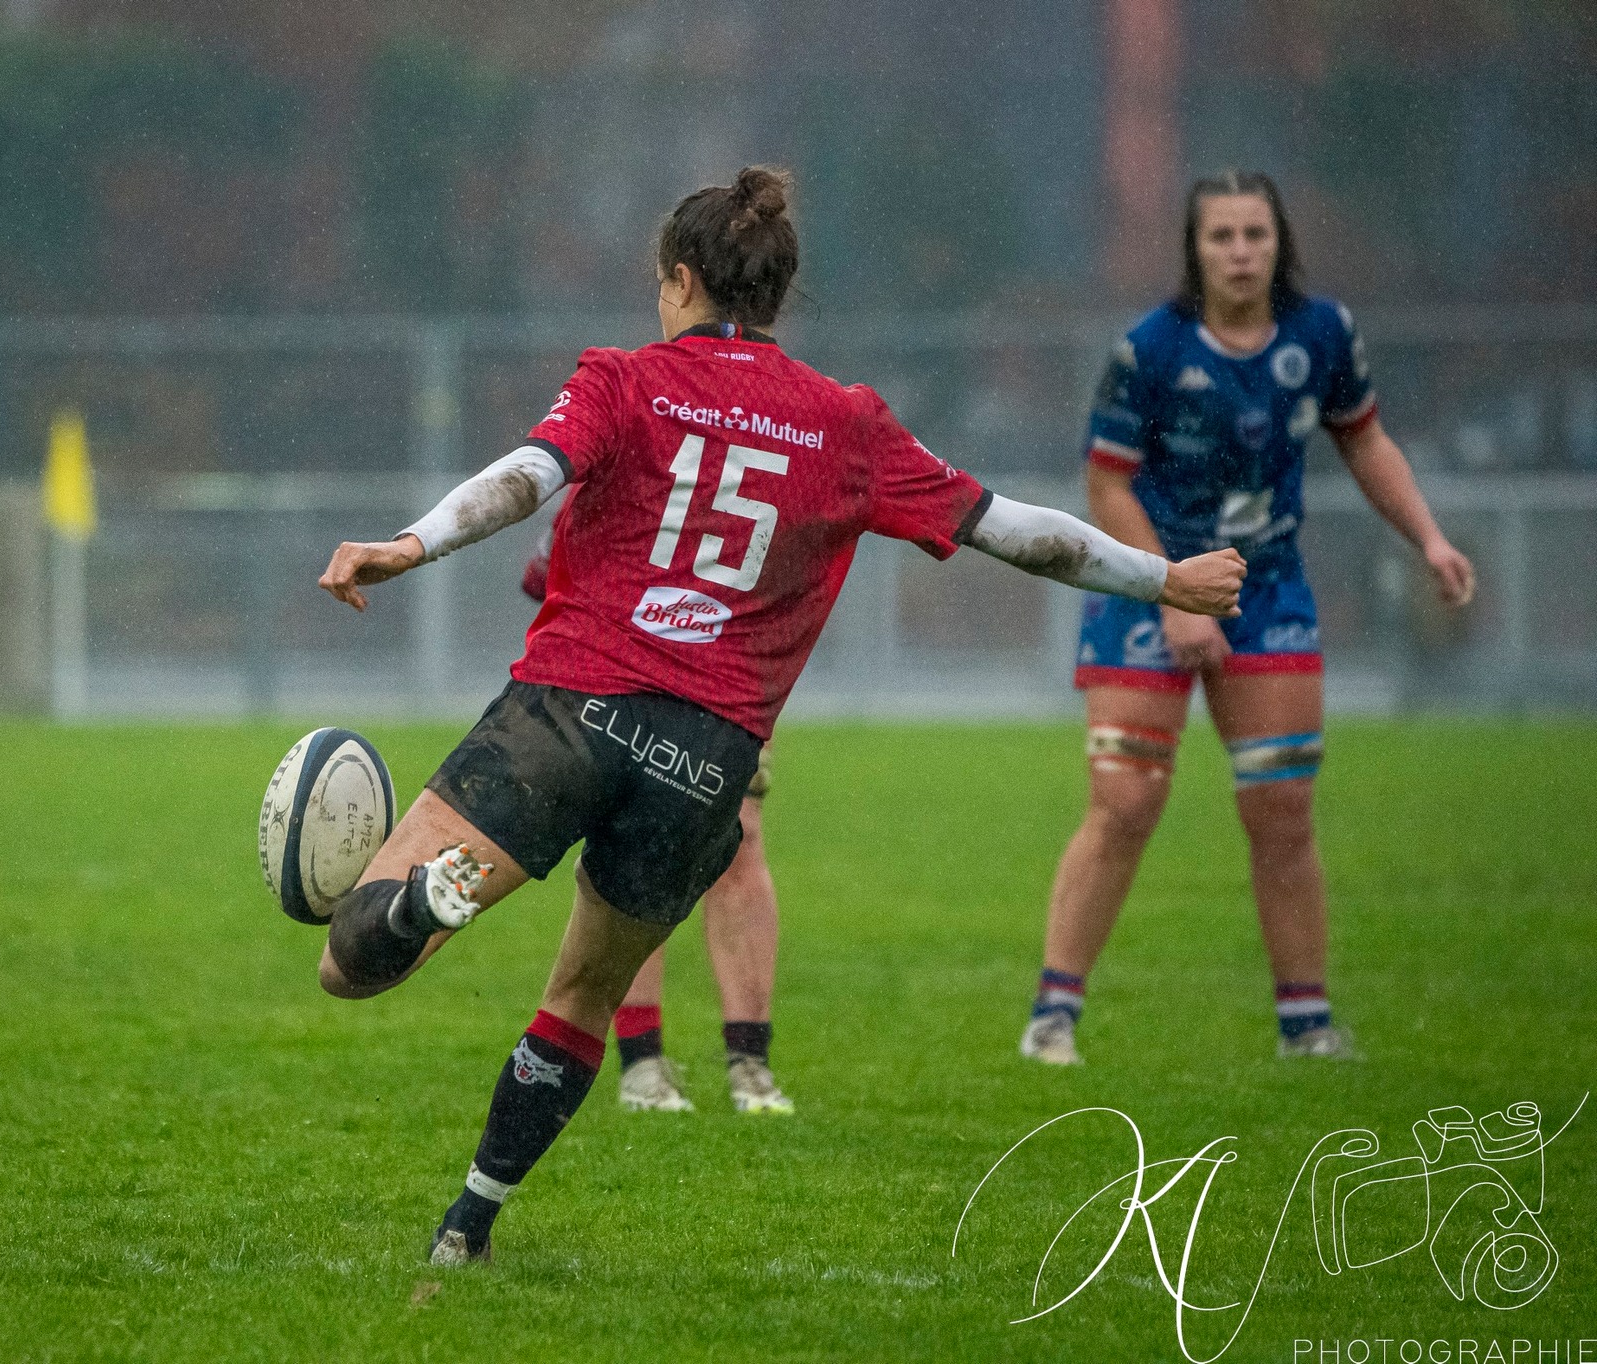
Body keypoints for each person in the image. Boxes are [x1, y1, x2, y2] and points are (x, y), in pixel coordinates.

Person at [308, 165, 1246, 1265]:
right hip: (705, 759)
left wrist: (409, 544)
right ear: (773, 296)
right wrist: (1164, 577)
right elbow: (1017, 528)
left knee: (347, 958)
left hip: (571, 703)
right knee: (580, 994)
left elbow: (526, 475)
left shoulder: (626, 378)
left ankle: (422, 906)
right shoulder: (844, 424)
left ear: (682, 279)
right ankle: (469, 1219)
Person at [1019, 170, 1476, 1068]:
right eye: (1221, 236)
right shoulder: (1147, 349)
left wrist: (1428, 538)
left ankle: (1306, 1024)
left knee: (1282, 810)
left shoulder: (1324, 335)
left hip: (1266, 596)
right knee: (1124, 802)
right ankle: (1053, 1015)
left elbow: (1366, 439)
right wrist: (1171, 592)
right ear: (1195, 248)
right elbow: (1105, 483)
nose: (1239, 252)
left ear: (1279, 245)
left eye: (1255, 235)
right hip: (1150, 585)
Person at [522, 526, 791, 1115]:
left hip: (730, 675)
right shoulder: (634, 439)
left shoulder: (768, 440)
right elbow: (543, 575)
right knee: (639, 849)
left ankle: (751, 1063)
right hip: (632, 672)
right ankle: (642, 1064)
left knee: (740, 839)